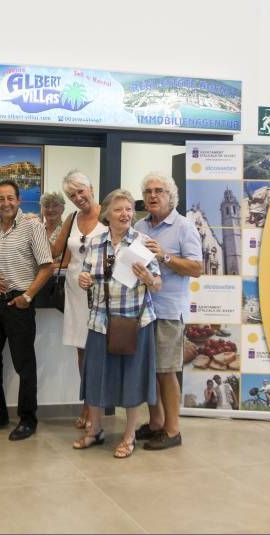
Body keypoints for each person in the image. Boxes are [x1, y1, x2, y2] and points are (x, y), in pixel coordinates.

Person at [75, 189, 161, 458]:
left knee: (132, 379)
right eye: (119, 210)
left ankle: (129, 435)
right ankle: (95, 430)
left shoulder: (142, 243)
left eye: (128, 210)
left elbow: (157, 285)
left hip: (133, 323)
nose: (125, 214)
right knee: (98, 376)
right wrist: (83, 280)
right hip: (100, 320)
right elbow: (86, 275)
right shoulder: (96, 242)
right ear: (107, 215)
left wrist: (147, 276)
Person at [0, 180, 54, 440]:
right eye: (1, 199)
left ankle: (27, 418)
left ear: (19, 201)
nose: (6, 203)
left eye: (11, 198)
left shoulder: (33, 226)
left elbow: (47, 266)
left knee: (24, 363)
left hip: (19, 304)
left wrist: (28, 296)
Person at [133, 172, 203, 450]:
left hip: (169, 311)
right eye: (148, 190)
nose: (152, 195)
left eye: (159, 191)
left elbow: (197, 268)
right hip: (141, 311)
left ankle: (173, 431)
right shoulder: (139, 225)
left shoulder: (184, 227)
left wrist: (163, 256)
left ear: (170, 196)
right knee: (150, 370)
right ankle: (156, 424)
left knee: (166, 370)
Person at [51, 170, 106, 430]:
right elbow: (56, 251)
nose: (77, 197)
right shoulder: (71, 218)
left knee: (100, 350)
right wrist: (33, 224)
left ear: (91, 188)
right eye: (72, 195)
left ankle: (96, 404)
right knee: (82, 352)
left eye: (80, 191)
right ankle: (87, 402)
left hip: (103, 294)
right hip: (75, 293)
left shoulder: (108, 214)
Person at [40, 192, 66, 259]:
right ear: (42, 209)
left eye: (55, 206)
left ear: (62, 209)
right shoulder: (37, 229)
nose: (50, 209)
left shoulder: (68, 230)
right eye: (46, 206)